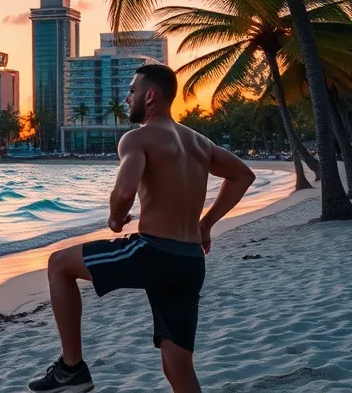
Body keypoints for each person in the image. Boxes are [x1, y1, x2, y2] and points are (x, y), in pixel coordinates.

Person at [28, 64, 256, 393]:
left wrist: (115, 219)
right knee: (178, 367)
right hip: (190, 260)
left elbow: (123, 192)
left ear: (150, 96)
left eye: (132, 91)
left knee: (59, 265)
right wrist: (205, 225)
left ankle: (71, 370)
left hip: (153, 252)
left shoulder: (137, 138)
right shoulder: (200, 143)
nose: (127, 97)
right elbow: (242, 176)